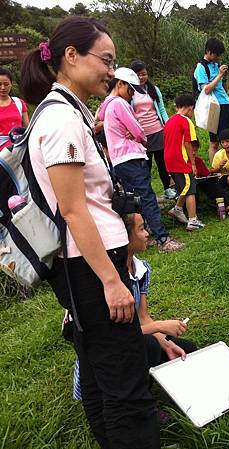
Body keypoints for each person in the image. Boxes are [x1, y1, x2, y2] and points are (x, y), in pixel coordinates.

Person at [20, 16, 160, 448]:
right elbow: (74, 210)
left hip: (84, 264)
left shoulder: (63, 113)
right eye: (106, 60)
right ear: (71, 56)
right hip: (90, 267)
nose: (112, 71)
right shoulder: (62, 120)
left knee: (101, 372)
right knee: (125, 380)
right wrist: (112, 281)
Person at [73, 212, 197, 400]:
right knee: (149, 345)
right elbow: (113, 336)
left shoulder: (141, 268)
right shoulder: (106, 280)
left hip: (132, 338)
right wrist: (159, 327)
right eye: (141, 229)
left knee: (187, 348)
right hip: (109, 352)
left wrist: (166, 342)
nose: (147, 233)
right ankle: (141, 400)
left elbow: (143, 317)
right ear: (122, 236)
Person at [97, 67, 185, 251]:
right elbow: (138, 130)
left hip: (118, 160)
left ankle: (142, 235)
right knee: (147, 197)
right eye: (130, 90)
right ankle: (163, 239)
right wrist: (140, 136)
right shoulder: (119, 103)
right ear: (120, 84)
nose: (132, 96)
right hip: (130, 156)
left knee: (133, 201)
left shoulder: (106, 105)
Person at [130, 60, 177, 200]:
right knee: (146, 164)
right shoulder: (130, 91)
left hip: (158, 130)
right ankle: (147, 191)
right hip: (141, 134)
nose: (142, 77)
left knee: (163, 162)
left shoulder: (153, 89)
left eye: (144, 74)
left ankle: (167, 188)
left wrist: (168, 125)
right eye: (138, 75)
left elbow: (161, 109)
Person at [193, 37, 229, 162]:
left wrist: (224, 77)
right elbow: (206, 90)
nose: (218, 57)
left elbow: (223, 88)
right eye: (216, 54)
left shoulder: (216, 65)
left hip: (226, 104)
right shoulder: (201, 68)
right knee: (215, 141)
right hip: (214, 107)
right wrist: (219, 75)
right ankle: (216, 171)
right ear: (208, 51)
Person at [163, 94, 205, 231]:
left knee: (184, 186)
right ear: (190, 108)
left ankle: (177, 209)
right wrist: (192, 163)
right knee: (190, 189)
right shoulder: (186, 121)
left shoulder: (169, 121)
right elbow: (188, 144)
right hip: (181, 159)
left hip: (169, 159)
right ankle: (193, 220)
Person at [0, 66, 29, 150]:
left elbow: (27, 128)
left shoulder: (19, 103)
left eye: (6, 84)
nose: (3, 88)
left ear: (11, 84)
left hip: (19, 149)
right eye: (0, 84)